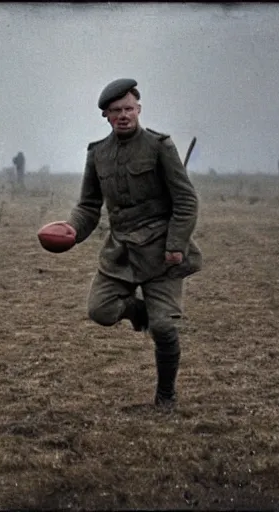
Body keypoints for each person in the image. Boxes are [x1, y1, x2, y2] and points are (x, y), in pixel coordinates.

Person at [52, 78, 203, 410]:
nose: (123, 115)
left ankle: (166, 397)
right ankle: (140, 312)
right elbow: (89, 206)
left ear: (139, 110)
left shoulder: (160, 147)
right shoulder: (98, 154)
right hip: (120, 251)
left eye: (129, 109)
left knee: (163, 327)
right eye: (116, 110)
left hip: (163, 252)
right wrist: (71, 231)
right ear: (106, 115)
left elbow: (186, 200)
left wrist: (176, 243)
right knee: (100, 310)